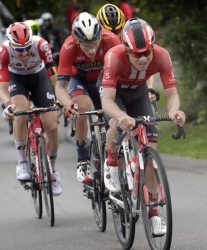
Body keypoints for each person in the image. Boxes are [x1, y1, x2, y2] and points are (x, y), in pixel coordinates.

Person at [97, 17, 186, 234]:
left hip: (138, 94)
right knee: (116, 125)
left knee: (151, 151)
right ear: (127, 51)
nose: (144, 58)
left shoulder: (162, 55)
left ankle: (154, 213)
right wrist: (120, 117)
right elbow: (107, 101)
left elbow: (172, 94)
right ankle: (111, 160)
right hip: (114, 93)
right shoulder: (114, 56)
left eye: (148, 51)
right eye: (137, 54)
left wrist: (174, 110)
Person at [55, 12, 121, 184]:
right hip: (80, 81)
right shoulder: (68, 47)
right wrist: (68, 104)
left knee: (112, 115)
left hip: (103, 80)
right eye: (86, 46)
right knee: (81, 109)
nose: (92, 50)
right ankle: (82, 161)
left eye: (95, 44)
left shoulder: (111, 39)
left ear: (101, 36)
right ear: (77, 41)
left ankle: (113, 158)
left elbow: (123, 71)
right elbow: (60, 86)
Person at [0, 22, 62, 196]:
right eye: (19, 50)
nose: (24, 53)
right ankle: (22, 162)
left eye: (27, 48)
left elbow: (55, 78)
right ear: (11, 45)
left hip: (39, 78)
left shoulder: (41, 45)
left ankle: (53, 171)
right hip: (16, 80)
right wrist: (8, 105)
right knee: (21, 112)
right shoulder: (3, 52)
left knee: (52, 125)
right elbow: (3, 91)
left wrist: (61, 98)